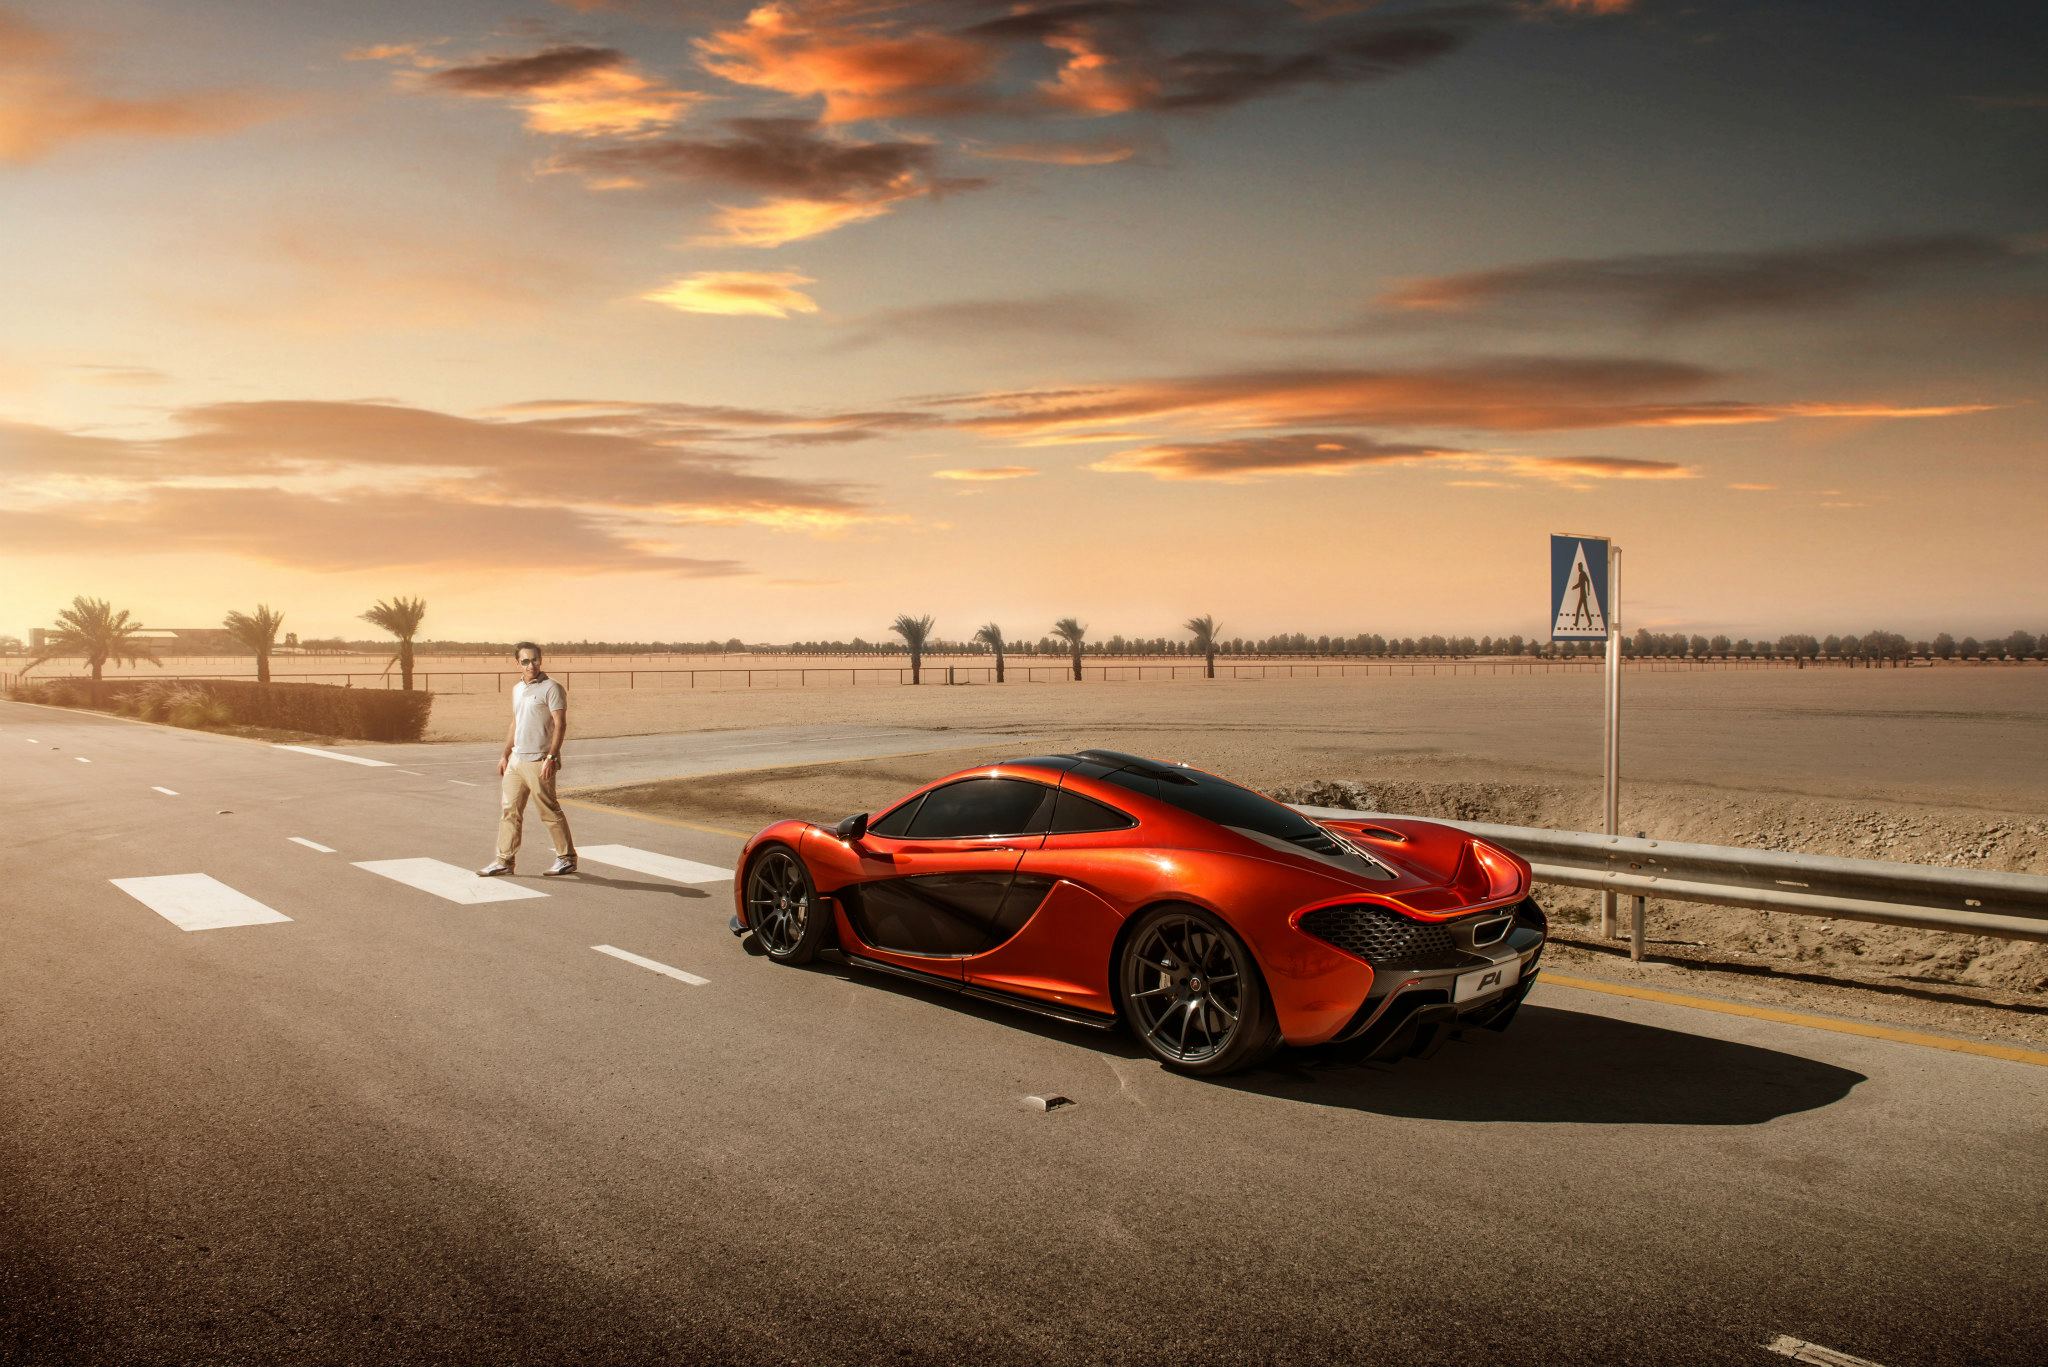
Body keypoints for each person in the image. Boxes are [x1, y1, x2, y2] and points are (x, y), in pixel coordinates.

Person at [478, 642, 576, 877]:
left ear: (540, 660)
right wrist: (504, 754)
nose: (530, 665)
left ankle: (566, 858)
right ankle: (504, 860)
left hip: (539, 760)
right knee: (509, 810)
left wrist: (551, 757)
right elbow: (515, 722)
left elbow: (560, 724)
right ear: (517, 663)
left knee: (548, 810)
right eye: (525, 661)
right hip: (516, 760)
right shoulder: (517, 689)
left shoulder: (552, 688)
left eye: (534, 660)